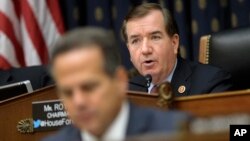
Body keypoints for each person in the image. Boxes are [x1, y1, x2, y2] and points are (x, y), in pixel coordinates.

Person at [42, 27, 191, 141]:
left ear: (120, 81)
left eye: (89, 87)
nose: (79, 101)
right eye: (67, 92)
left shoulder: (178, 132)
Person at [122, 3, 232, 96]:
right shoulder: (126, 92)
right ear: (129, 50)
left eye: (155, 37)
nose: (145, 50)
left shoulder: (211, 83)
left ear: (174, 43)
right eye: (135, 41)